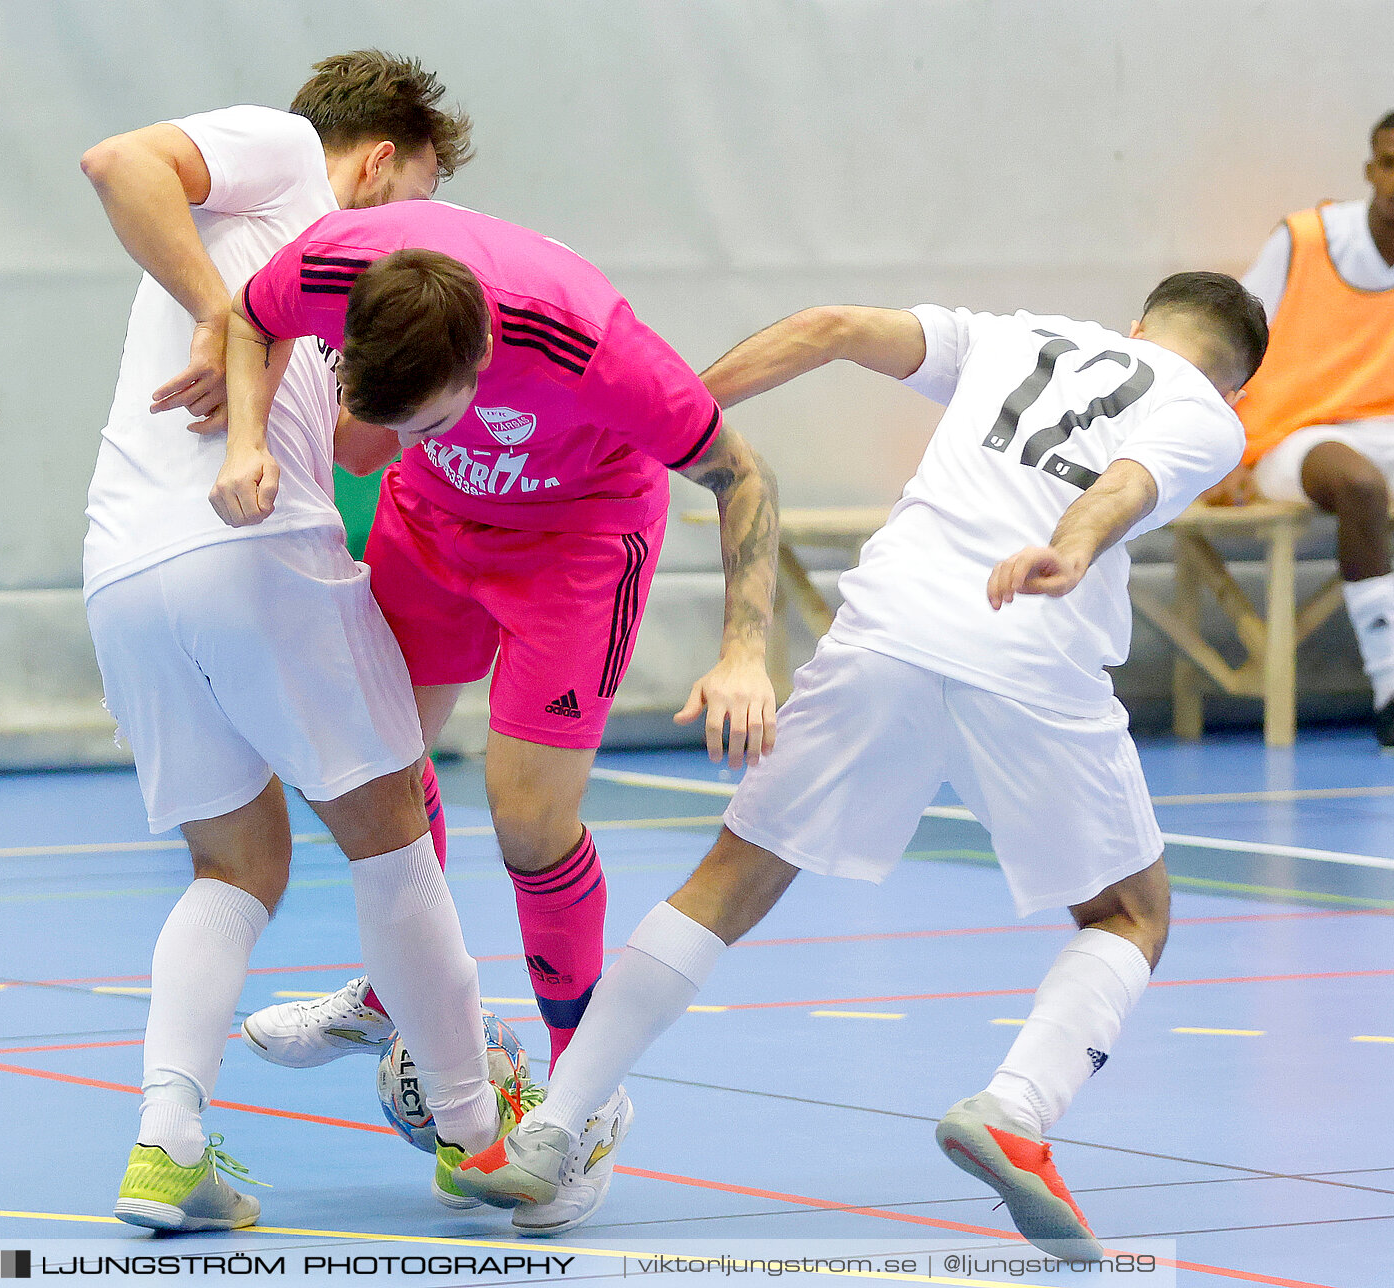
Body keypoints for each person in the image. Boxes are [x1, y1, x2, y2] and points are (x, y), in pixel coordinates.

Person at [452, 273, 1269, 1251]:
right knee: (1131, 913)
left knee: (727, 884)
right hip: (1031, 647)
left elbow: (827, 327)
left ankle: (551, 1126)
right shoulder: (1209, 418)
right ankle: (1015, 1111)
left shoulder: (1016, 333)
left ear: (1137, 324)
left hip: (887, 624)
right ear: (1240, 385)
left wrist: (660, 428)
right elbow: (1123, 484)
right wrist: (1071, 549)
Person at [220, 199, 781, 1232]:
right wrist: (245, 441)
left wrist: (745, 649)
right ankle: (406, 993)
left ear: (484, 355)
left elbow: (743, 476)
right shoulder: (342, 266)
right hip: (434, 524)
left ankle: (581, 1096)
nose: (399, 436)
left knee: (528, 817)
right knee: (363, 762)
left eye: (426, 420)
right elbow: (250, 316)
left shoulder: (594, 348)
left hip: (577, 537)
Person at [79, 51, 517, 1232]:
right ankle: (483, 1138)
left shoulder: (346, 289)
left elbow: (367, 446)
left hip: (126, 573)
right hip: (250, 547)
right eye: (416, 190)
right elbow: (120, 163)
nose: (415, 221)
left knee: (238, 866)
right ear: (378, 158)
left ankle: (166, 1146)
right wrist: (228, 320)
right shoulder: (281, 159)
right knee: (390, 845)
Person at [1210, 108, 1394, 755]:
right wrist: (1223, 454)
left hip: (1389, 430)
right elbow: (1221, 343)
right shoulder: (1303, 239)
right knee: (1361, 485)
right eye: (1388, 163)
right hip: (1290, 437)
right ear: (1368, 169)